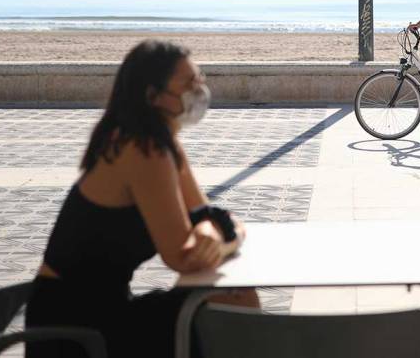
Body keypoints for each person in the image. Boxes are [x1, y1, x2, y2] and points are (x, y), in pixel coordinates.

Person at [25, 40, 259, 357]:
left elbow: (207, 213)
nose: (200, 90)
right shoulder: (143, 150)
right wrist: (222, 235)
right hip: (72, 325)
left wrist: (215, 231)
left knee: (235, 297)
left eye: (200, 78)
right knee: (230, 305)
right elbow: (183, 257)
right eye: (189, 84)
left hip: (105, 309)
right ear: (153, 96)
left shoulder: (162, 143)